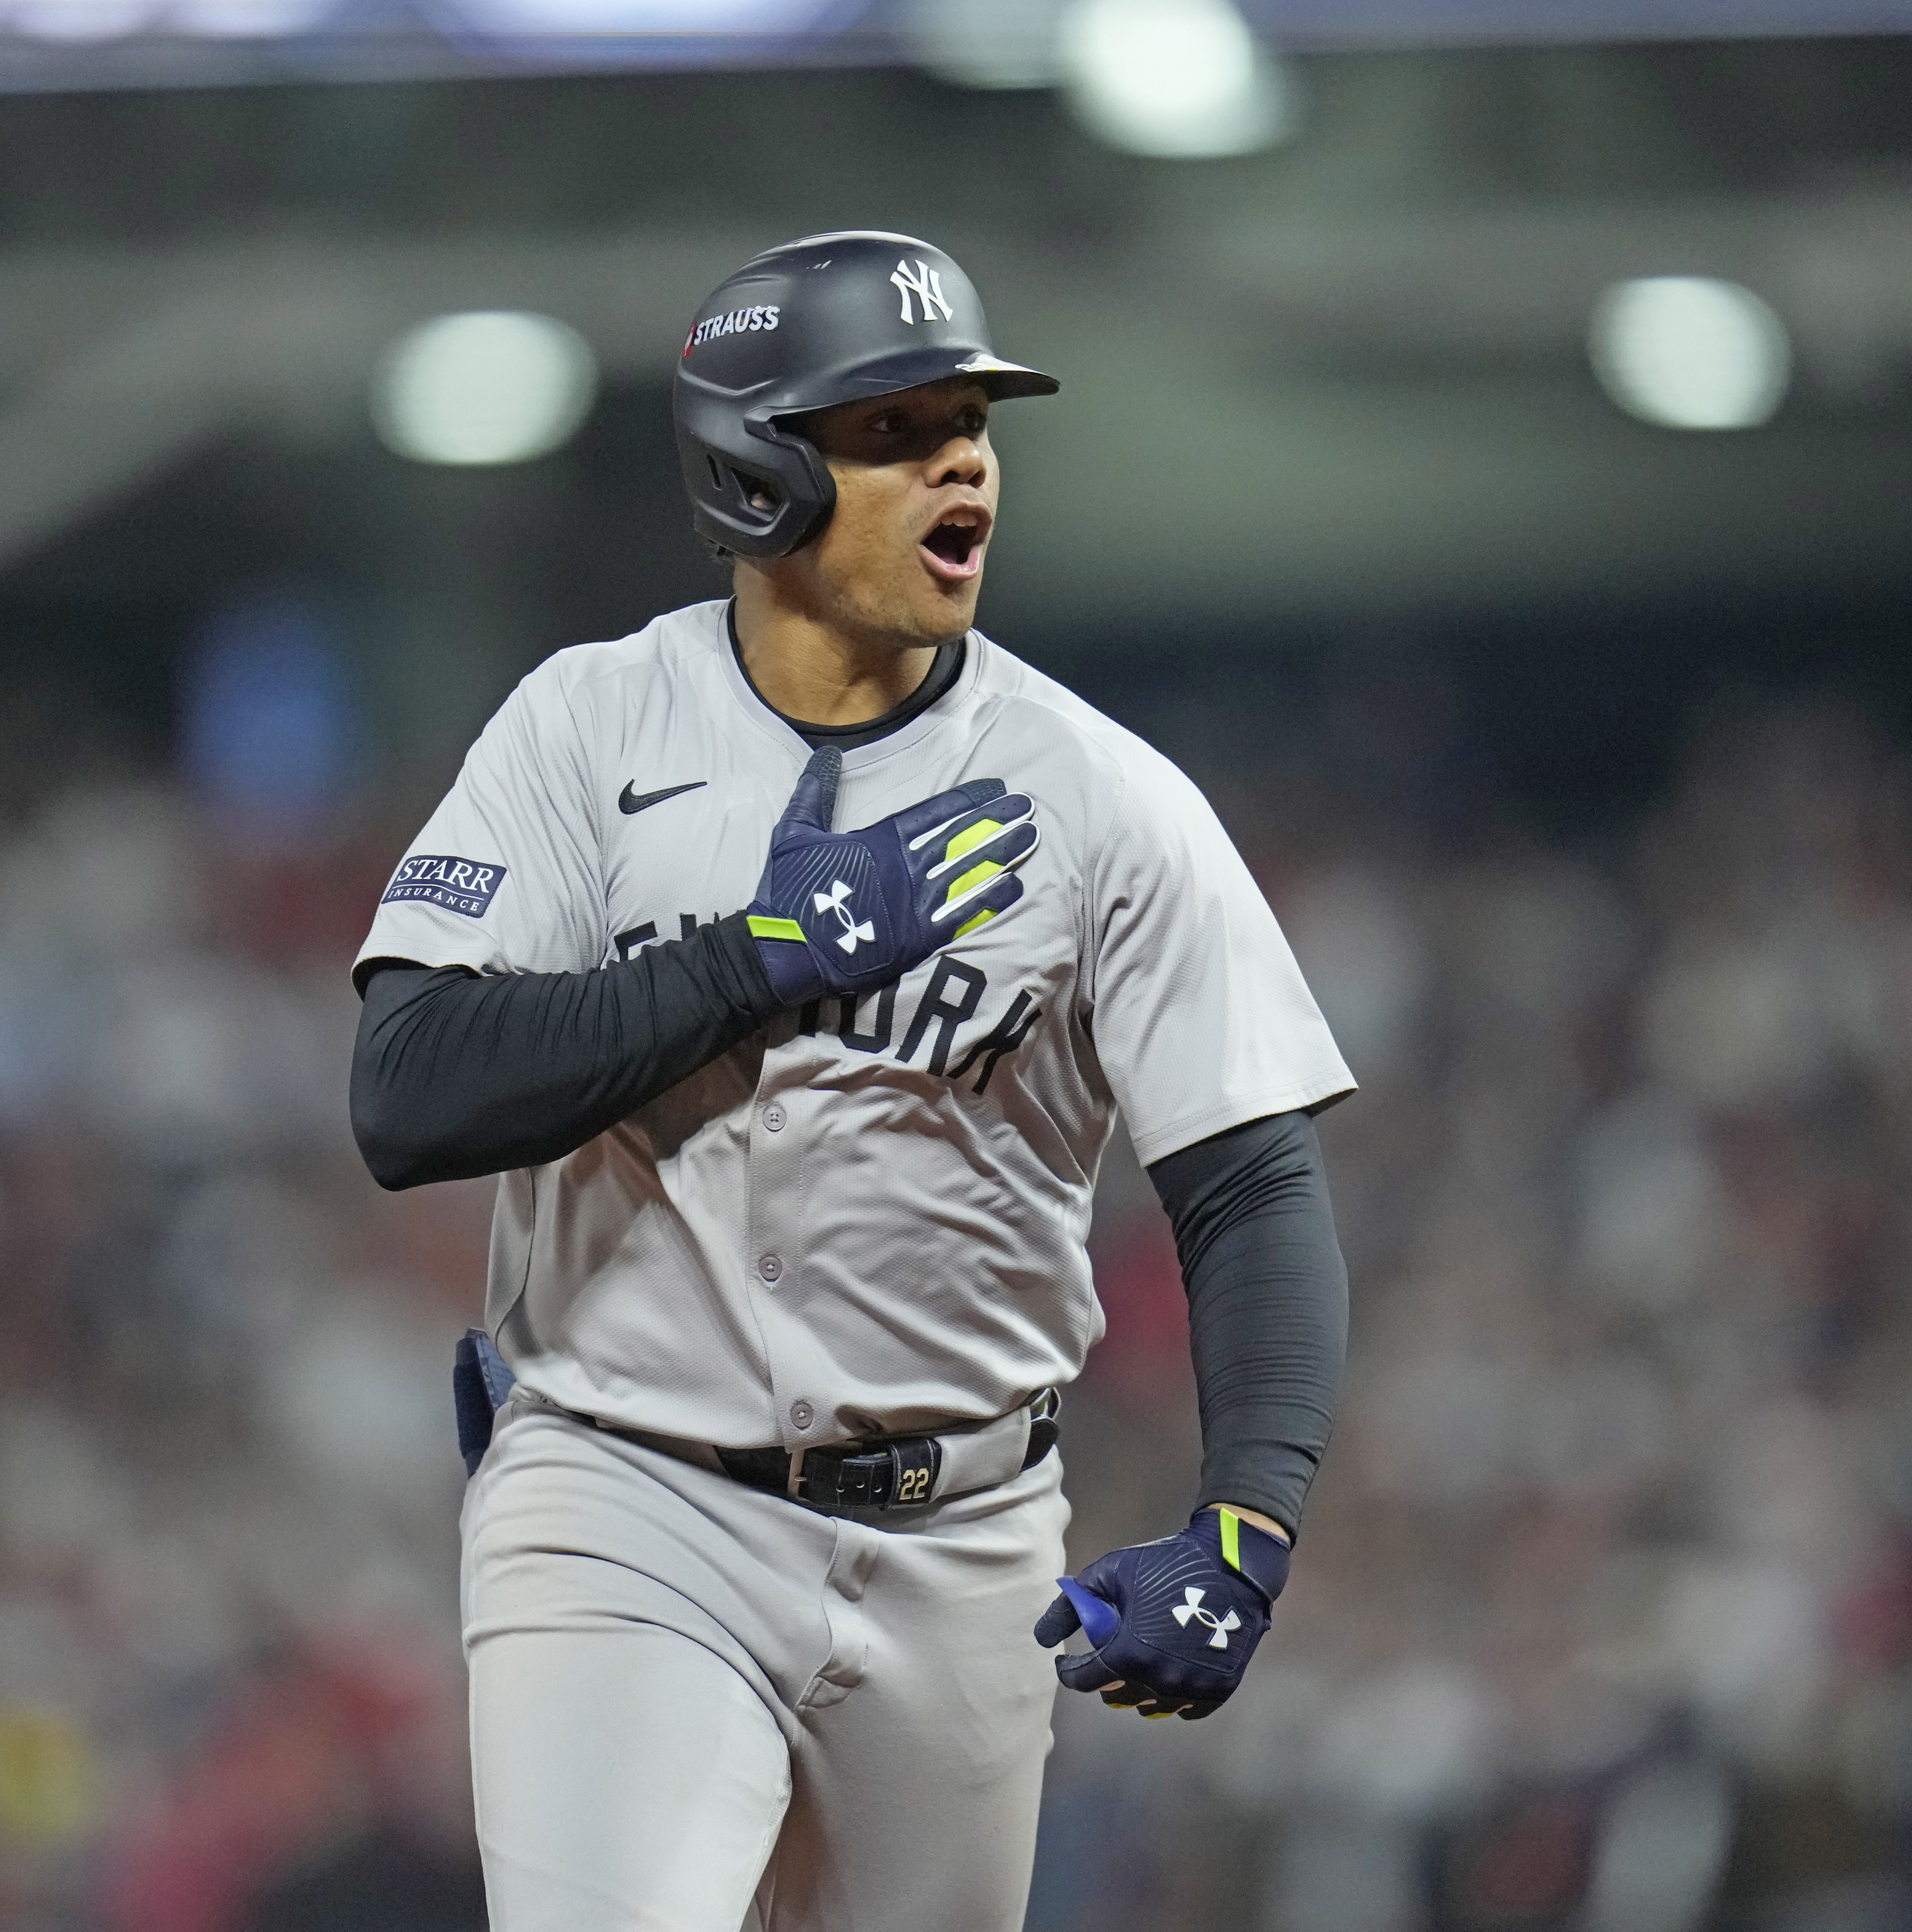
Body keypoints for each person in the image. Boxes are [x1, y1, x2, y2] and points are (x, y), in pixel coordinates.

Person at [348, 230, 1353, 1932]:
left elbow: (1250, 1179)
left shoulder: (1102, 798)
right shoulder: (588, 729)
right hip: (625, 1487)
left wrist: (1247, 1522)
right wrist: (748, 956)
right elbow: (409, 1092)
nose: (962, 457)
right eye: (892, 427)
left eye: (970, 420)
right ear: (755, 477)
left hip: (964, 1537)